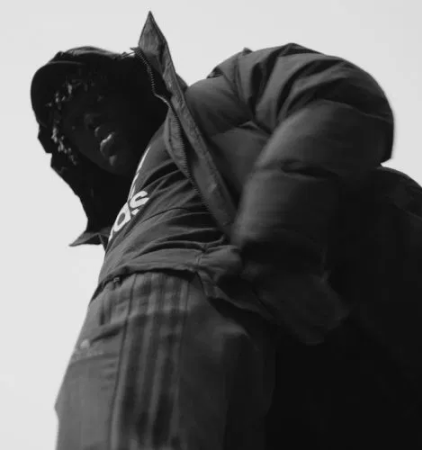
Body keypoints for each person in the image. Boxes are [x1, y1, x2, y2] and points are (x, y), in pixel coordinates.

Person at [31, 11, 394, 450]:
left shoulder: (217, 96)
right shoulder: (119, 223)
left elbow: (334, 90)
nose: (87, 120)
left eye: (94, 95)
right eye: (71, 125)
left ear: (130, 87)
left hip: (177, 289)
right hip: (251, 366)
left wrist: (276, 231)